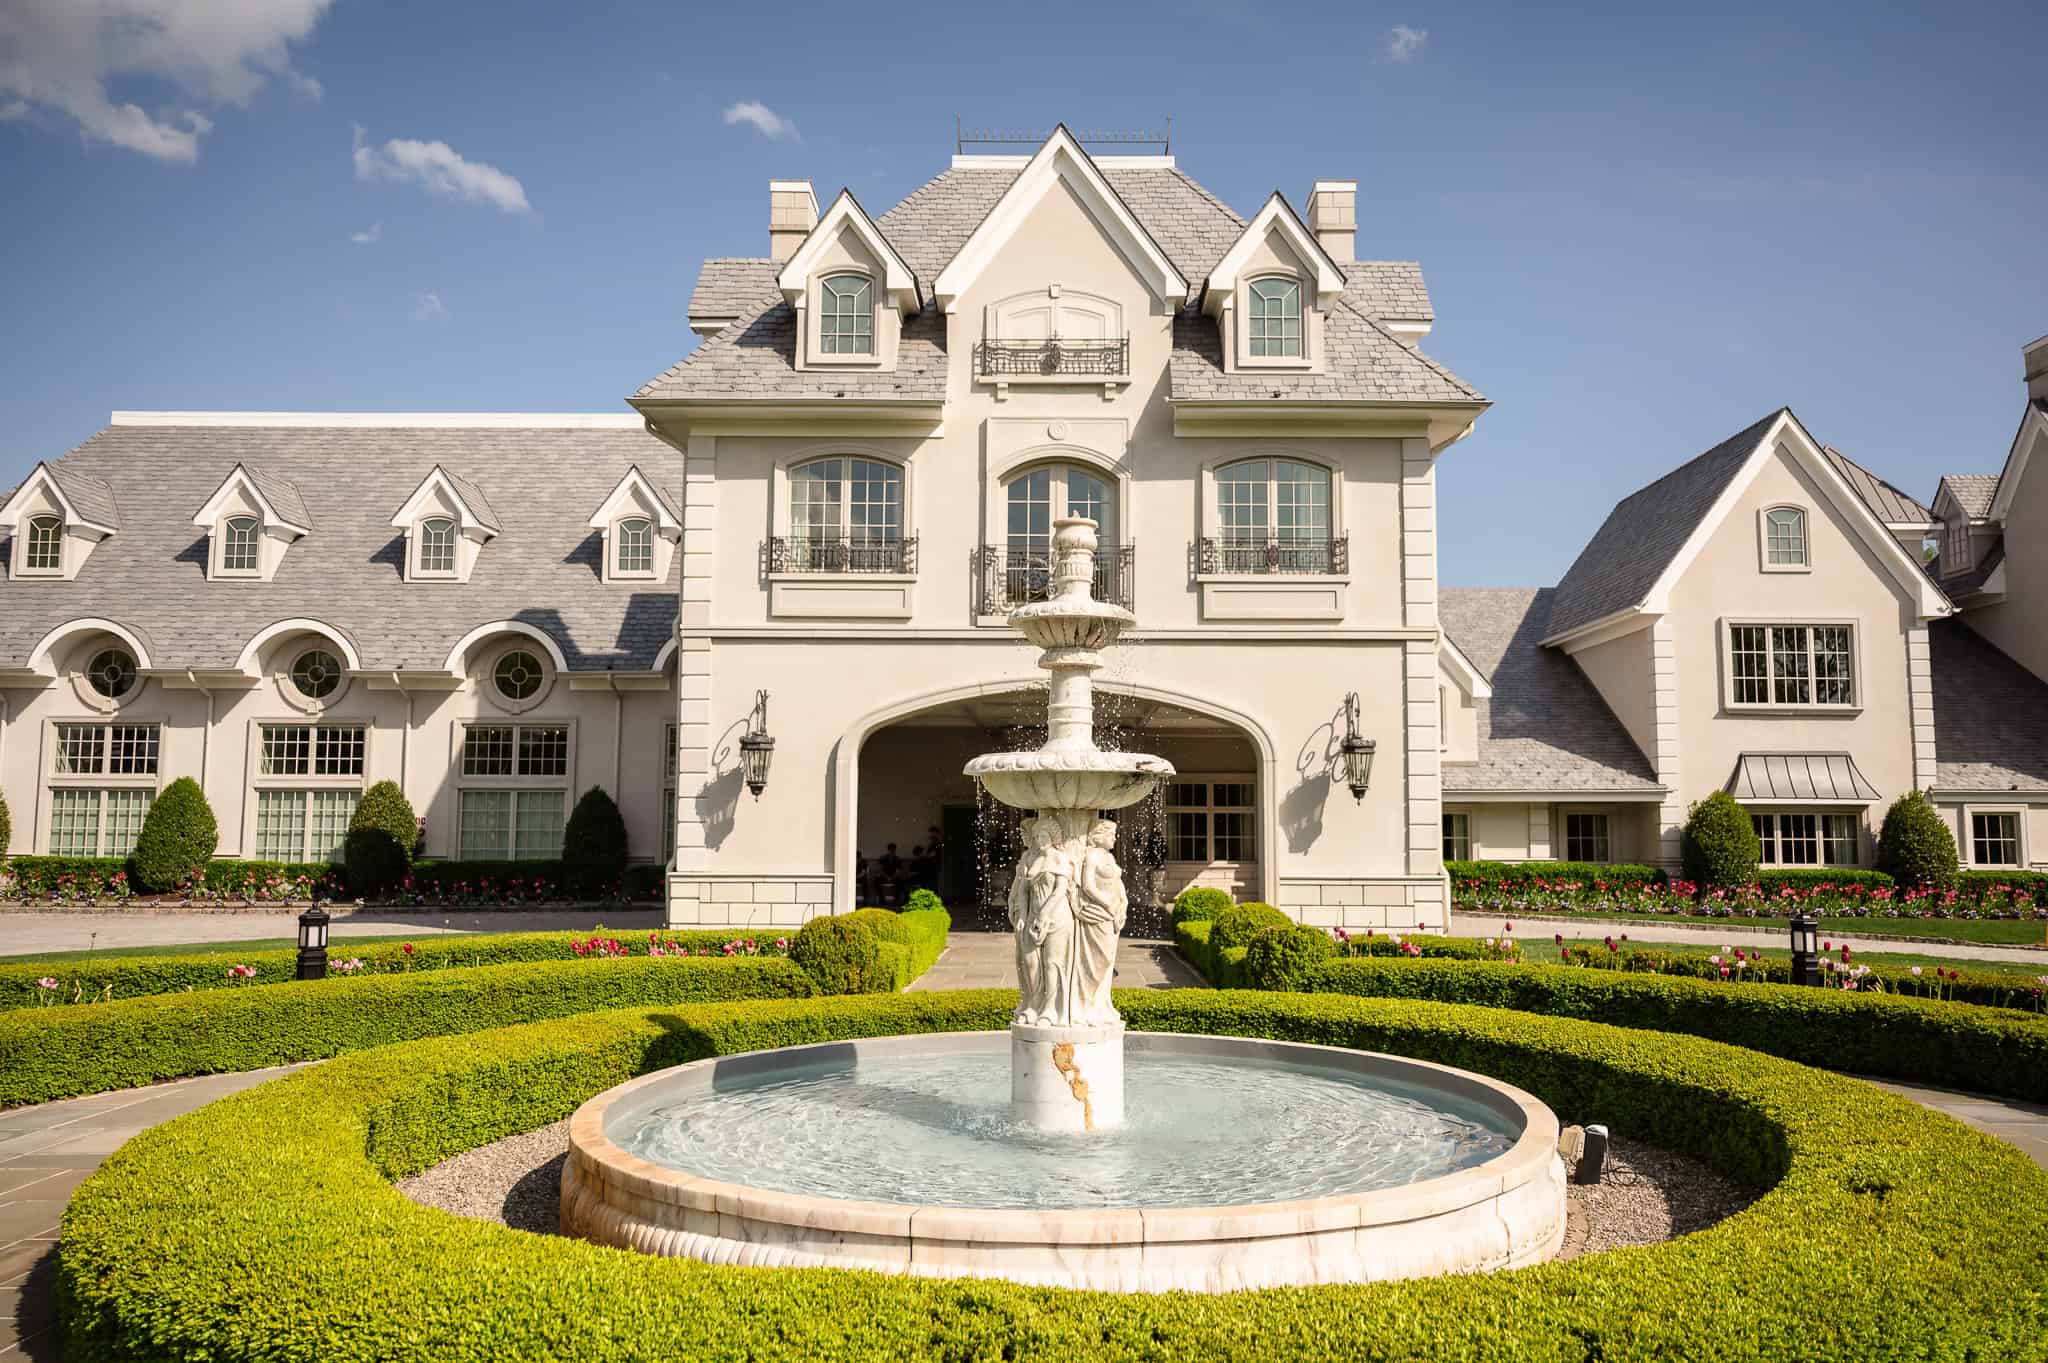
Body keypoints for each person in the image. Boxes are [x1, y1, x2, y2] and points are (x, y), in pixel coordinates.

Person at [1072, 820, 1129, 1024]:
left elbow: (1117, 882)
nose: (1114, 838)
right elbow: (1087, 886)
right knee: (1097, 960)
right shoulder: (1092, 855)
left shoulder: (1108, 856)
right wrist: (1108, 905)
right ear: (1099, 836)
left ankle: (1101, 1005)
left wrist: (1123, 902)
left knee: (1108, 961)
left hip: (1113, 914)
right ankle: (1084, 1005)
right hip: (1099, 912)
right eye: (1111, 834)